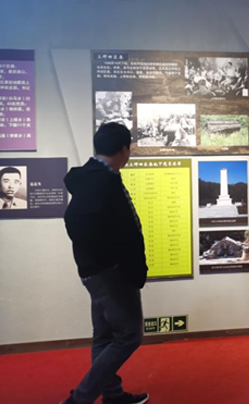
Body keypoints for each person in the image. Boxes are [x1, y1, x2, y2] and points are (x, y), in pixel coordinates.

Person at [61, 123, 149, 404]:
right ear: (125, 149)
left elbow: (81, 224)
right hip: (111, 275)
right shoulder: (103, 181)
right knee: (128, 337)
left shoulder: (92, 178)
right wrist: (117, 264)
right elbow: (81, 225)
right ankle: (79, 399)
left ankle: (112, 394)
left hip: (98, 272)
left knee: (104, 336)